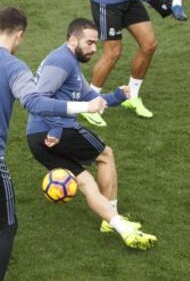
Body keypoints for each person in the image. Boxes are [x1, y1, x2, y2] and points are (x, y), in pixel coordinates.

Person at [26, 18, 157, 251]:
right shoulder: (61, 60)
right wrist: (56, 128)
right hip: (54, 130)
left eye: (96, 43)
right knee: (105, 155)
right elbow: (39, 99)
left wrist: (117, 96)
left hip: (36, 139)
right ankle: (112, 217)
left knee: (86, 181)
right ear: (73, 39)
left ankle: (116, 225)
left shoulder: (70, 64)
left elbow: (90, 99)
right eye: (89, 43)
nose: (94, 49)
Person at [0, 8, 105, 281]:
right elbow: (34, 102)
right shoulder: (13, 67)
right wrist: (85, 106)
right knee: (6, 227)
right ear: (19, 35)